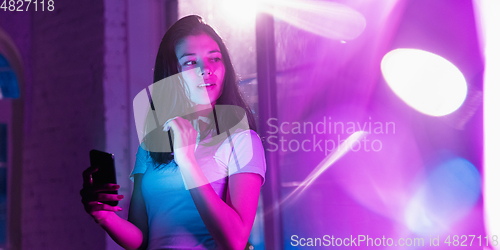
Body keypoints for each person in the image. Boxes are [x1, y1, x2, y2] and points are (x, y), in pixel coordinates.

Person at [80, 15, 267, 250]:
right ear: (171, 74)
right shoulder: (150, 147)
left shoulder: (242, 141)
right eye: (190, 62)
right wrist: (104, 216)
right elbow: (142, 240)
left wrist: (187, 161)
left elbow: (235, 241)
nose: (206, 69)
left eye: (214, 59)